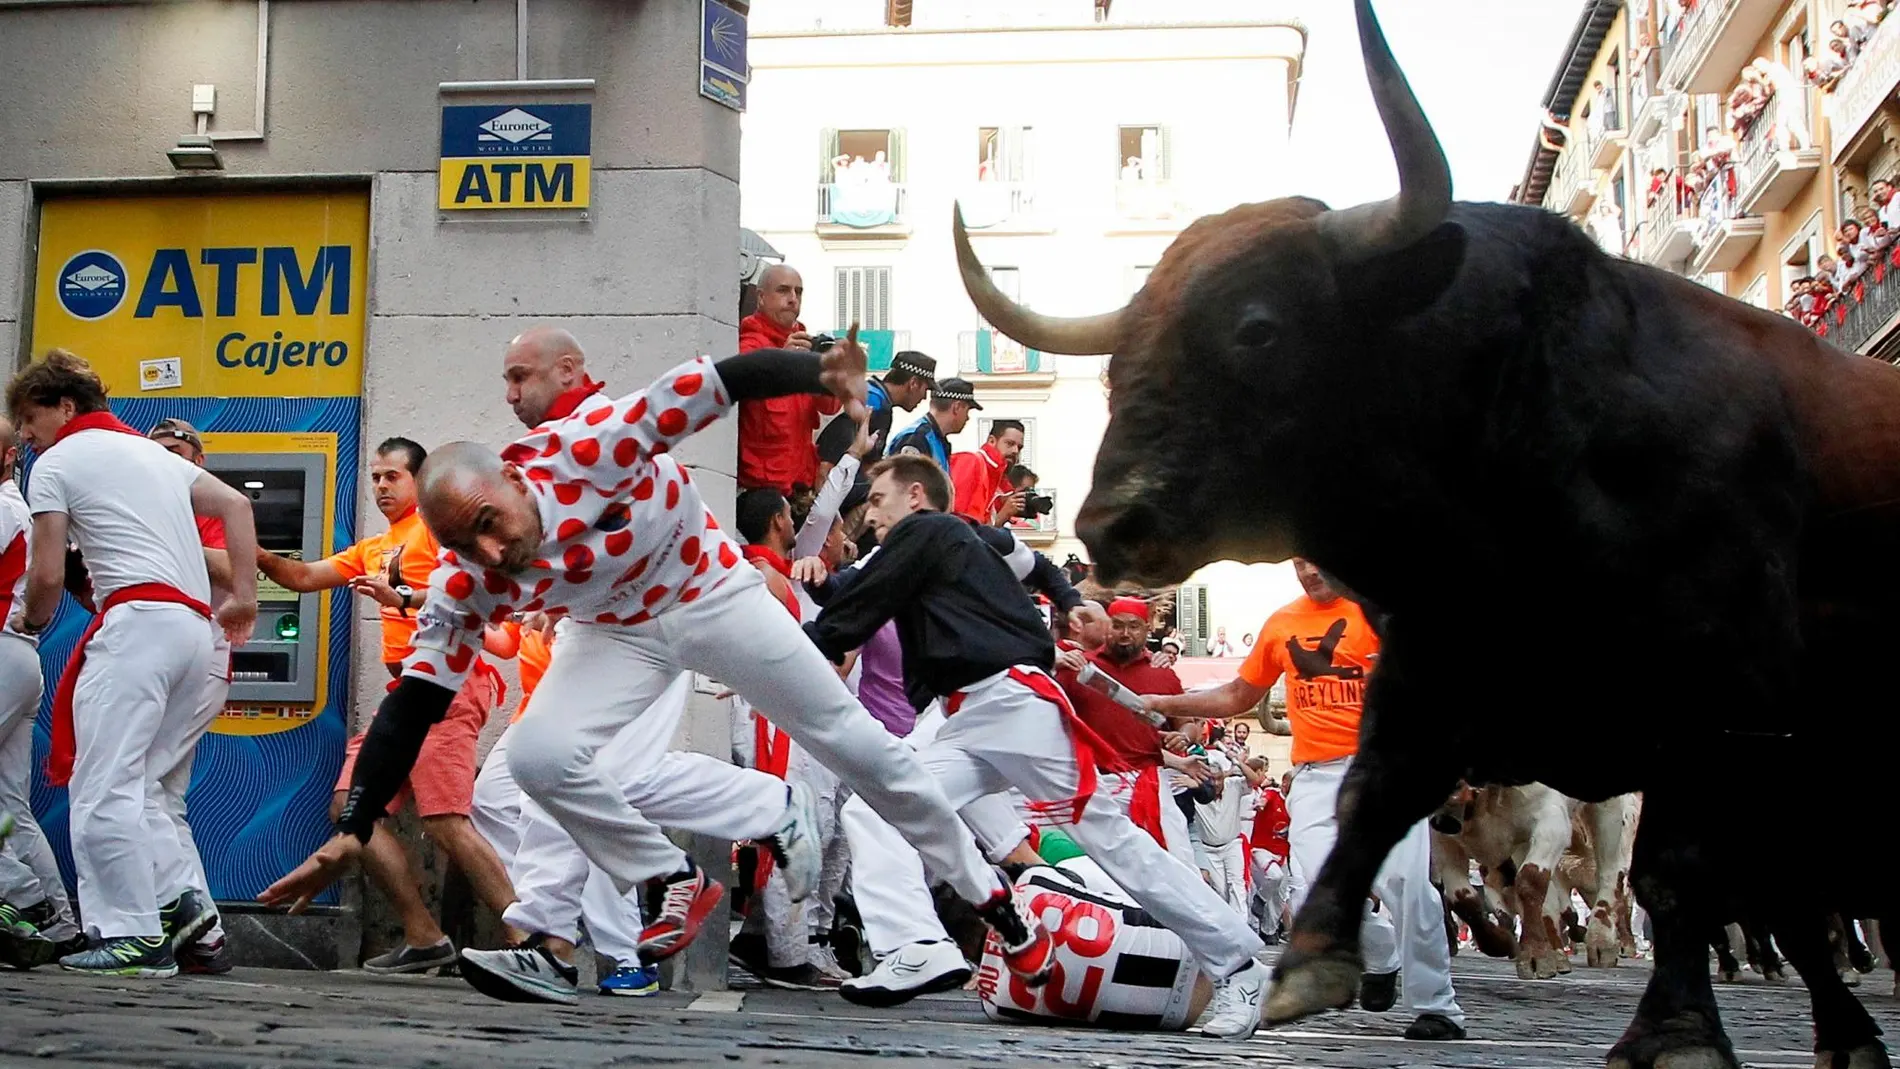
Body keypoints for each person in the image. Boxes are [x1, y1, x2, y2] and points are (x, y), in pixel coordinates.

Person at [260, 334, 1057, 1003]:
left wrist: (822, 374)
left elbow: (714, 382)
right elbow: (413, 705)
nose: (496, 553)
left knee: (853, 741)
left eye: (492, 524)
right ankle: (666, 874)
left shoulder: (593, 444)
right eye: (468, 545)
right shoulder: (471, 580)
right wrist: (355, 826)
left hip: (710, 593)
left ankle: (997, 907)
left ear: (512, 477)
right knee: (536, 756)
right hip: (617, 632)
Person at [803, 454, 1270, 1039]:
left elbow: (847, 616)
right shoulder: (955, 536)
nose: (869, 514)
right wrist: (1067, 598)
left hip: (1008, 703)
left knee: (1112, 840)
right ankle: (917, 945)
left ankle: (1240, 966)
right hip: (972, 713)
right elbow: (1030, 561)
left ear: (915, 495)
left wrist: (765, 652)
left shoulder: (925, 530)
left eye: (876, 500)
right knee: (874, 808)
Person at [7, 350, 259, 979]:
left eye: (31, 419)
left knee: (103, 786)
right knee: (145, 786)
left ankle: (131, 936)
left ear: (65, 406)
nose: (26, 435)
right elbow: (239, 507)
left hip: (137, 626)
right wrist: (248, 598)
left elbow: (44, 576)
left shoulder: (58, 462)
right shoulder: (155, 456)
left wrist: (29, 623)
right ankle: (183, 910)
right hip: (193, 630)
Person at [1147, 559, 1466, 1041]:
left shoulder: (1380, 614)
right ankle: (1382, 957)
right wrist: (1167, 704)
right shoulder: (1282, 623)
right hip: (1316, 777)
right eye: (1300, 564)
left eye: (1318, 561)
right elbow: (1237, 693)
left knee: (1405, 883)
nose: (1309, 572)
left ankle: (1437, 1006)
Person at [257, 437, 515, 975]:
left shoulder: (438, 531)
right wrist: (241, 546)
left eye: (391, 477)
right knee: (351, 803)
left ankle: (531, 942)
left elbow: (497, 609)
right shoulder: (375, 548)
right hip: (406, 694)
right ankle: (423, 936)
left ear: (420, 483)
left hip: (452, 684)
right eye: (374, 478)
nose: (380, 487)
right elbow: (302, 578)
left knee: (446, 821)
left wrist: (409, 598)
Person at [144, 417, 240, 973]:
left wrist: (173, 535)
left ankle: (182, 918)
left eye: (180, 451)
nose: (171, 460)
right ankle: (203, 934)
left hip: (205, 651)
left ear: (198, 461)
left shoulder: (211, 507)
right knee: (165, 798)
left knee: (141, 784)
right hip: (164, 653)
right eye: (160, 452)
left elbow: (232, 569)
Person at [0, 416, 79, 964]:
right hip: (18, 658)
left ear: (9, 456)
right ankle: (59, 920)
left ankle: (26, 897)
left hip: (4, 653)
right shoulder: (18, 508)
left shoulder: (6, 507)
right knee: (10, 805)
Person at [1054, 596, 1198, 867]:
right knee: (1097, 868)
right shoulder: (1077, 667)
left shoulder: (1163, 674)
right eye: (1118, 626)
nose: (1125, 634)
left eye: (1133, 627)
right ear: (1108, 627)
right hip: (1093, 784)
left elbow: (1187, 724)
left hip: (1148, 783)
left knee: (1178, 864)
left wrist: (1185, 737)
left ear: (1147, 629)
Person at [737, 265, 842, 494]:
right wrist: (784, 364)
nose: (793, 299)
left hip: (800, 487)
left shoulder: (806, 346)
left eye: (798, 292)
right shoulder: (747, 347)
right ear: (761, 297)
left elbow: (830, 406)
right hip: (759, 491)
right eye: (783, 291)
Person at [815, 350, 936, 473]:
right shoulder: (876, 406)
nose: (925, 398)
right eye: (926, 390)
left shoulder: (868, 394)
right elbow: (829, 463)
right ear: (913, 383)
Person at [888, 378, 981, 469]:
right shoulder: (917, 438)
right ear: (956, 407)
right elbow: (906, 482)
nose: (968, 418)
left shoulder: (934, 439)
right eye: (967, 410)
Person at [949, 419, 1025, 525]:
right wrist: (1002, 515)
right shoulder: (971, 461)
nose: (1015, 451)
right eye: (1009, 443)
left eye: (1019, 447)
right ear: (991, 441)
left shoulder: (1000, 483)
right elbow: (957, 519)